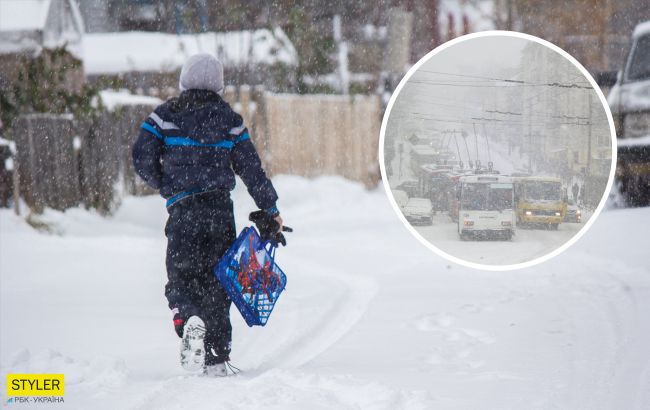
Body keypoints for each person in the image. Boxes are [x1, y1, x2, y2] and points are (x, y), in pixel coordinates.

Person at [132, 53, 285, 377]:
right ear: (219, 84)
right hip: (218, 211)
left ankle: (187, 318)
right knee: (218, 282)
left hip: (184, 210)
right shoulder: (229, 120)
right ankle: (216, 354)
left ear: (184, 80)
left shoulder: (164, 116)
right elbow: (251, 169)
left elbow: (141, 156)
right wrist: (270, 210)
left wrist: (166, 184)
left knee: (182, 275)